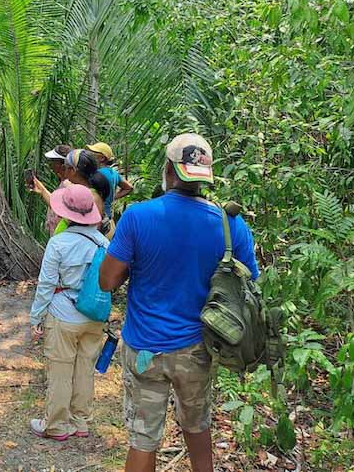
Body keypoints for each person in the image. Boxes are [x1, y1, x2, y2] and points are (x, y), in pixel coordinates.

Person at [98, 134, 260, 472]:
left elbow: (107, 281)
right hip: (198, 349)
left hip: (145, 346)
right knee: (197, 426)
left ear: (169, 170)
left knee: (143, 438)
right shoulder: (230, 224)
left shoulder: (138, 217)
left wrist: (138, 264)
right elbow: (249, 284)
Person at [29, 184, 109, 441]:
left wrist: (36, 317)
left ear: (65, 213)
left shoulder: (59, 243)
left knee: (61, 371)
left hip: (63, 314)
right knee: (85, 369)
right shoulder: (103, 243)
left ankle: (55, 425)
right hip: (94, 315)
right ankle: (81, 421)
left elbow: (46, 284)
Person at [54, 149, 111, 235]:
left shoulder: (92, 197)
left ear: (73, 171)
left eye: (65, 168)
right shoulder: (78, 191)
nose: (64, 172)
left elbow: (92, 229)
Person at [29, 144, 72, 235]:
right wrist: (41, 189)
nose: (51, 165)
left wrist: (42, 189)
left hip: (62, 234)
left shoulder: (68, 184)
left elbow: (57, 206)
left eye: (54, 162)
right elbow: (55, 202)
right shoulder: (64, 181)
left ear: (62, 165)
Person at [85, 141, 134, 218]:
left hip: (98, 215)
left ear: (102, 158)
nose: (89, 156)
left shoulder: (98, 174)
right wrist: (112, 198)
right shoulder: (113, 172)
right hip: (107, 214)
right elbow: (129, 188)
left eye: (92, 154)